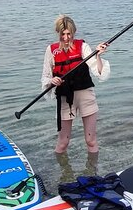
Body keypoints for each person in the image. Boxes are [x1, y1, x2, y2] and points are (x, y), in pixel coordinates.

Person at [41, 14, 110, 155]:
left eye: (69, 34)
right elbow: (46, 77)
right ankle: (62, 175)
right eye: (63, 34)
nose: (66, 38)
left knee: (91, 141)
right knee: (63, 143)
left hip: (85, 95)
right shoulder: (51, 50)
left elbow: (98, 71)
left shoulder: (83, 47)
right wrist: (51, 81)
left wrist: (98, 56)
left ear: (74, 32)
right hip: (65, 98)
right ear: (58, 33)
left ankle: (93, 173)